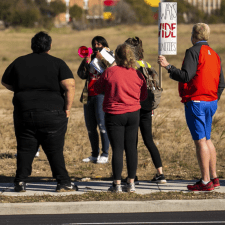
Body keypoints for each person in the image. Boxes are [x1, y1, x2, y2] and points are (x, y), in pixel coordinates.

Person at [1, 31, 78, 192]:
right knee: (54, 149)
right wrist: (68, 108)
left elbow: (5, 82)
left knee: (25, 148)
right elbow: (70, 85)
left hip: (24, 113)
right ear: (49, 46)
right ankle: (63, 182)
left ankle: (20, 182)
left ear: (32, 45)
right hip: (52, 113)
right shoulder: (57, 63)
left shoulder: (19, 62)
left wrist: (21, 89)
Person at [158, 23, 225, 191]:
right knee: (207, 139)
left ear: (194, 36)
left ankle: (205, 181)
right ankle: (214, 177)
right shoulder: (215, 54)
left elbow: (186, 76)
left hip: (196, 101)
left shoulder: (193, 52)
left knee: (200, 141)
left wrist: (168, 67)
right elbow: (222, 82)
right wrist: (215, 98)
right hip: (211, 101)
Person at [93, 43, 148, 193]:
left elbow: (96, 89)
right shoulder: (137, 73)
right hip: (133, 113)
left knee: (117, 148)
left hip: (114, 114)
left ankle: (116, 184)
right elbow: (143, 95)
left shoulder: (110, 72)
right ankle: (130, 183)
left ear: (116, 56)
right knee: (131, 148)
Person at [125, 36, 166, 184]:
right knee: (149, 140)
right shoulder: (146, 64)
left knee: (132, 142)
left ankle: (132, 176)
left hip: (134, 107)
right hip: (147, 108)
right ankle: (160, 173)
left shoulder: (130, 67)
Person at [77, 36, 112, 164]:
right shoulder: (90, 57)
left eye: (99, 43)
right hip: (89, 95)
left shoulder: (109, 56)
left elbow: (111, 70)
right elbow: (81, 75)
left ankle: (105, 153)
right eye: (94, 44)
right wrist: (85, 61)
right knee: (91, 127)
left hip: (101, 94)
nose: (96, 46)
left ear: (104, 44)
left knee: (102, 125)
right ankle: (94, 154)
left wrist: (101, 59)